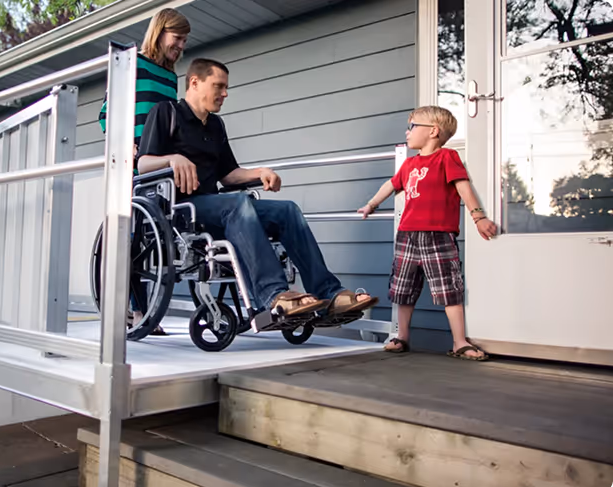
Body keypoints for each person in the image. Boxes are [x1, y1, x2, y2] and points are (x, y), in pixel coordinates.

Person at [137, 58, 377, 320]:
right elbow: (144, 164)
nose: (225, 93)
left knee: (287, 210)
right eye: (218, 86)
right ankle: (273, 295)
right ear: (195, 82)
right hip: (182, 211)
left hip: (219, 208)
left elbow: (228, 175)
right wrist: (172, 158)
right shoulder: (166, 112)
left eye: (226, 87)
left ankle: (330, 293)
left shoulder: (216, 125)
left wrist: (260, 172)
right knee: (238, 203)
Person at [357, 106, 497, 361]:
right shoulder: (409, 164)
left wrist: (479, 217)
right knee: (403, 288)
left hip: (438, 235)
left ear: (433, 131)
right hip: (407, 235)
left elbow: (463, 186)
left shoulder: (447, 157)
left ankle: (459, 341)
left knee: (449, 289)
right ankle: (402, 336)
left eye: (412, 126)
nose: (407, 132)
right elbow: (391, 184)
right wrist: (371, 204)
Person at [98, 8, 190, 335]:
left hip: (157, 166)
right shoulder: (132, 63)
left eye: (184, 40)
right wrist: (125, 145)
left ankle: (143, 310)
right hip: (131, 163)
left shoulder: (170, 77)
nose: (180, 45)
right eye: (177, 38)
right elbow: (106, 113)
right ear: (160, 31)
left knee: (153, 240)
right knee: (133, 237)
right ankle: (134, 312)